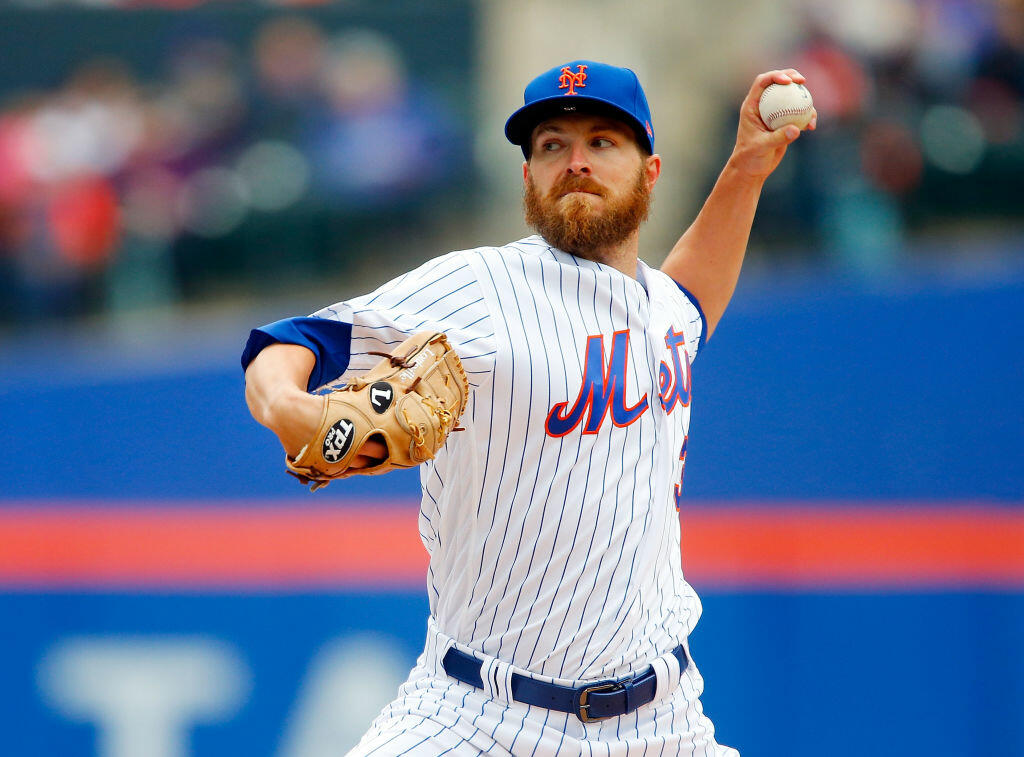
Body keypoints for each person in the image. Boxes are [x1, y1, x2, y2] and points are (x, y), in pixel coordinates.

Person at [242, 60, 815, 756]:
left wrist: (746, 171)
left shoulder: (661, 307)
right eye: (551, 146)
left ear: (650, 171)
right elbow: (293, 340)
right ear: (527, 178)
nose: (576, 162)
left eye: (603, 142)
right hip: (478, 718)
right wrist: (288, 406)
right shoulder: (481, 287)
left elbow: (693, 299)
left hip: (666, 722)